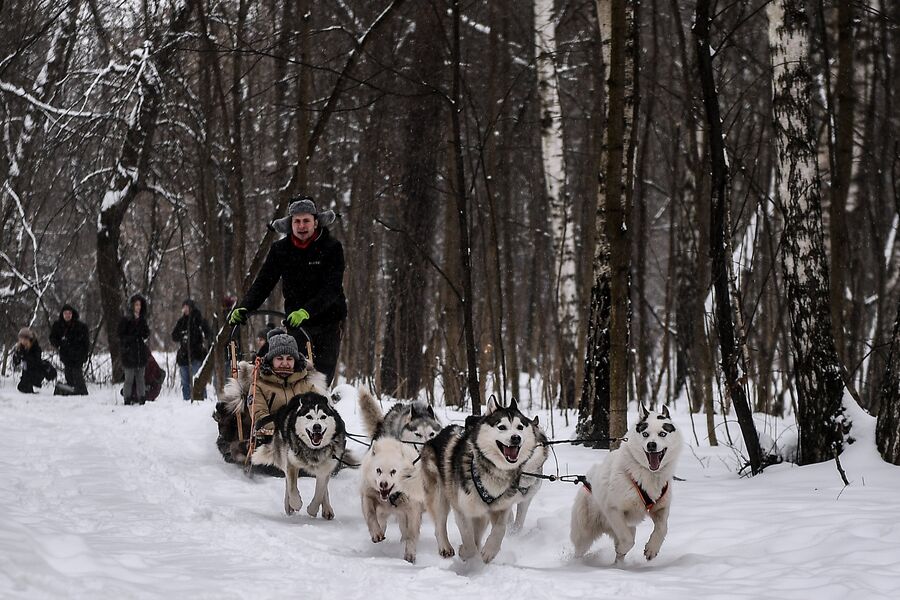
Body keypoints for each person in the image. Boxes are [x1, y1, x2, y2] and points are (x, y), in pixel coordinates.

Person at [229, 196, 347, 385]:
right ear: (290, 224)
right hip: (296, 323)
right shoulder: (280, 250)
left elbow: (332, 289)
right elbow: (263, 283)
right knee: (291, 374)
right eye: (297, 221)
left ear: (315, 222)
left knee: (321, 379)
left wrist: (307, 311)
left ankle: (319, 406)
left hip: (328, 320)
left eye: (306, 221)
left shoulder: (332, 248)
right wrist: (245, 307)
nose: (302, 226)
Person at [251, 329, 327, 443]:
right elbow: (261, 417)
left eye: (290, 359)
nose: (285, 363)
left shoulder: (306, 384)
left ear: (295, 361)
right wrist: (291, 430)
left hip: (304, 439)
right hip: (273, 440)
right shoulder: (259, 385)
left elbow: (319, 412)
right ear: (271, 360)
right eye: (280, 358)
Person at [171, 299, 211, 401]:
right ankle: (187, 401)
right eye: (183, 307)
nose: (185, 309)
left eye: (186, 307)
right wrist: (182, 335)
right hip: (183, 356)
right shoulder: (181, 321)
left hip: (197, 355)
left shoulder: (199, 320)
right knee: (185, 382)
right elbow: (174, 336)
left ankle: (201, 400)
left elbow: (208, 334)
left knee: (198, 380)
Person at [49, 304, 90, 395]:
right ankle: (72, 391)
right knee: (69, 375)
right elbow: (52, 338)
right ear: (62, 314)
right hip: (66, 355)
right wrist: (60, 344)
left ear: (72, 314)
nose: (67, 315)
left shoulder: (80, 326)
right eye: (65, 313)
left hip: (78, 355)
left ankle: (81, 392)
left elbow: (86, 342)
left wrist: (85, 354)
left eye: (69, 313)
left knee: (77, 375)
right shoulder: (58, 326)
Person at [118, 294, 150, 405]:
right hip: (129, 353)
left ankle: (142, 397)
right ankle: (127, 398)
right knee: (129, 378)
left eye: (140, 305)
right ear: (132, 306)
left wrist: (142, 331)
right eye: (136, 305)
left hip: (140, 352)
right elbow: (121, 335)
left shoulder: (142, 320)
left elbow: (146, 334)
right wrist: (130, 340)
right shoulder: (125, 320)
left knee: (141, 377)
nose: (138, 307)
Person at [12, 327, 51, 393]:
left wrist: (24, 356)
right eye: (21, 339)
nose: (23, 341)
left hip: (35, 373)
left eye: (25, 339)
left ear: (29, 339)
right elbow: (16, 363)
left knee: (24, 388)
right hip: (26, 373)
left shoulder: (35, 348)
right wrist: (17, 356)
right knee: (21, 388)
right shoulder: (20, 348)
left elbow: (36, 361)